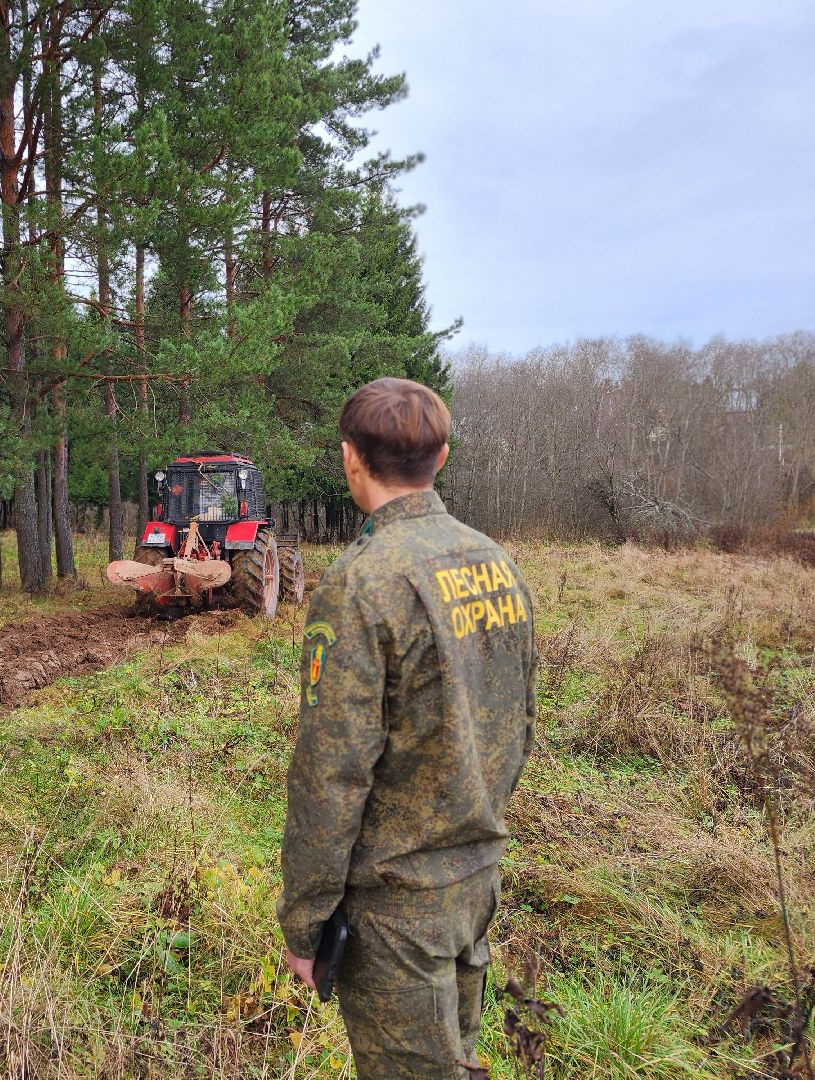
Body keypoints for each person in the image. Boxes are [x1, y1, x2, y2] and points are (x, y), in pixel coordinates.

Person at [278, 377, 537, 1079]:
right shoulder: (498, 563)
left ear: (349, 458)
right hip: (475, 877)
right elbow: (520, 721)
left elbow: (332, 770)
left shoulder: (361, 582)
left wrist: (305, 922)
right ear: (442, 457)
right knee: (456, 1059)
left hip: (396, 906)